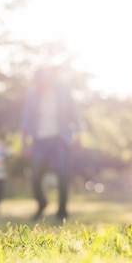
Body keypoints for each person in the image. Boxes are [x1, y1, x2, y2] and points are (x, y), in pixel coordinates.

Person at [20, 67, 84, 222]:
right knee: (35, 175)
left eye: (41, 81)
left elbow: (73, 112)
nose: (39, 84)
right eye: (36, 82)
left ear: (48, 80)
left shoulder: (62, 89)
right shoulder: (32, 93)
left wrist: (79, 135)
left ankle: (62, 211)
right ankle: (42, 203)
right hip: (40, 138)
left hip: (60, 137)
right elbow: (27, 117)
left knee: (63, 174)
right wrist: (24, 142)